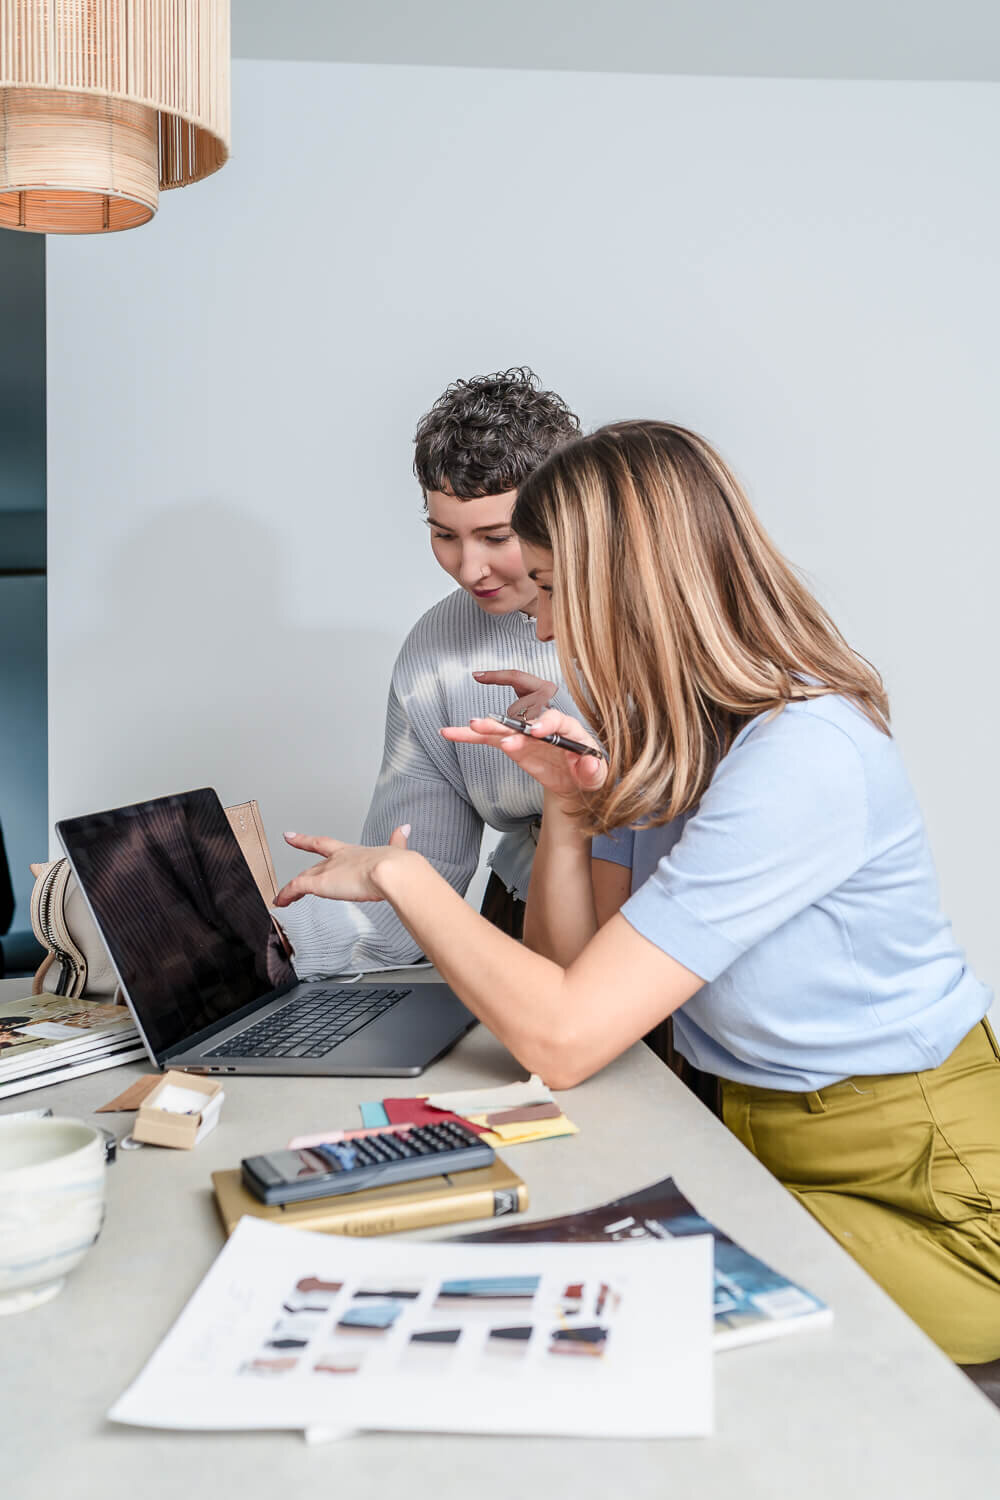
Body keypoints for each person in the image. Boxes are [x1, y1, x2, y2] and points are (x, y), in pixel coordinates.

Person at [275, 420, 999, 1367]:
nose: (535, 626)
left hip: (926, 1185)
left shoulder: (803, 753)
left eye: (548, 590)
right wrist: (568, 809)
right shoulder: (671, 736)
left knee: (589, 1307)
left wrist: (405, 877)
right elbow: (568, 978)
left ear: (632, 587)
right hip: (743, 1127)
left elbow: (563, 1037)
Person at [274, 368, 580, 976]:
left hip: (668, 931)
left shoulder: (665, 615)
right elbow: (417, 869)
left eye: (498, 537)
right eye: (445, 535)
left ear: (568, 512)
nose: (470, 569)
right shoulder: (436, 649)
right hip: (521, 923)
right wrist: (262, 945)